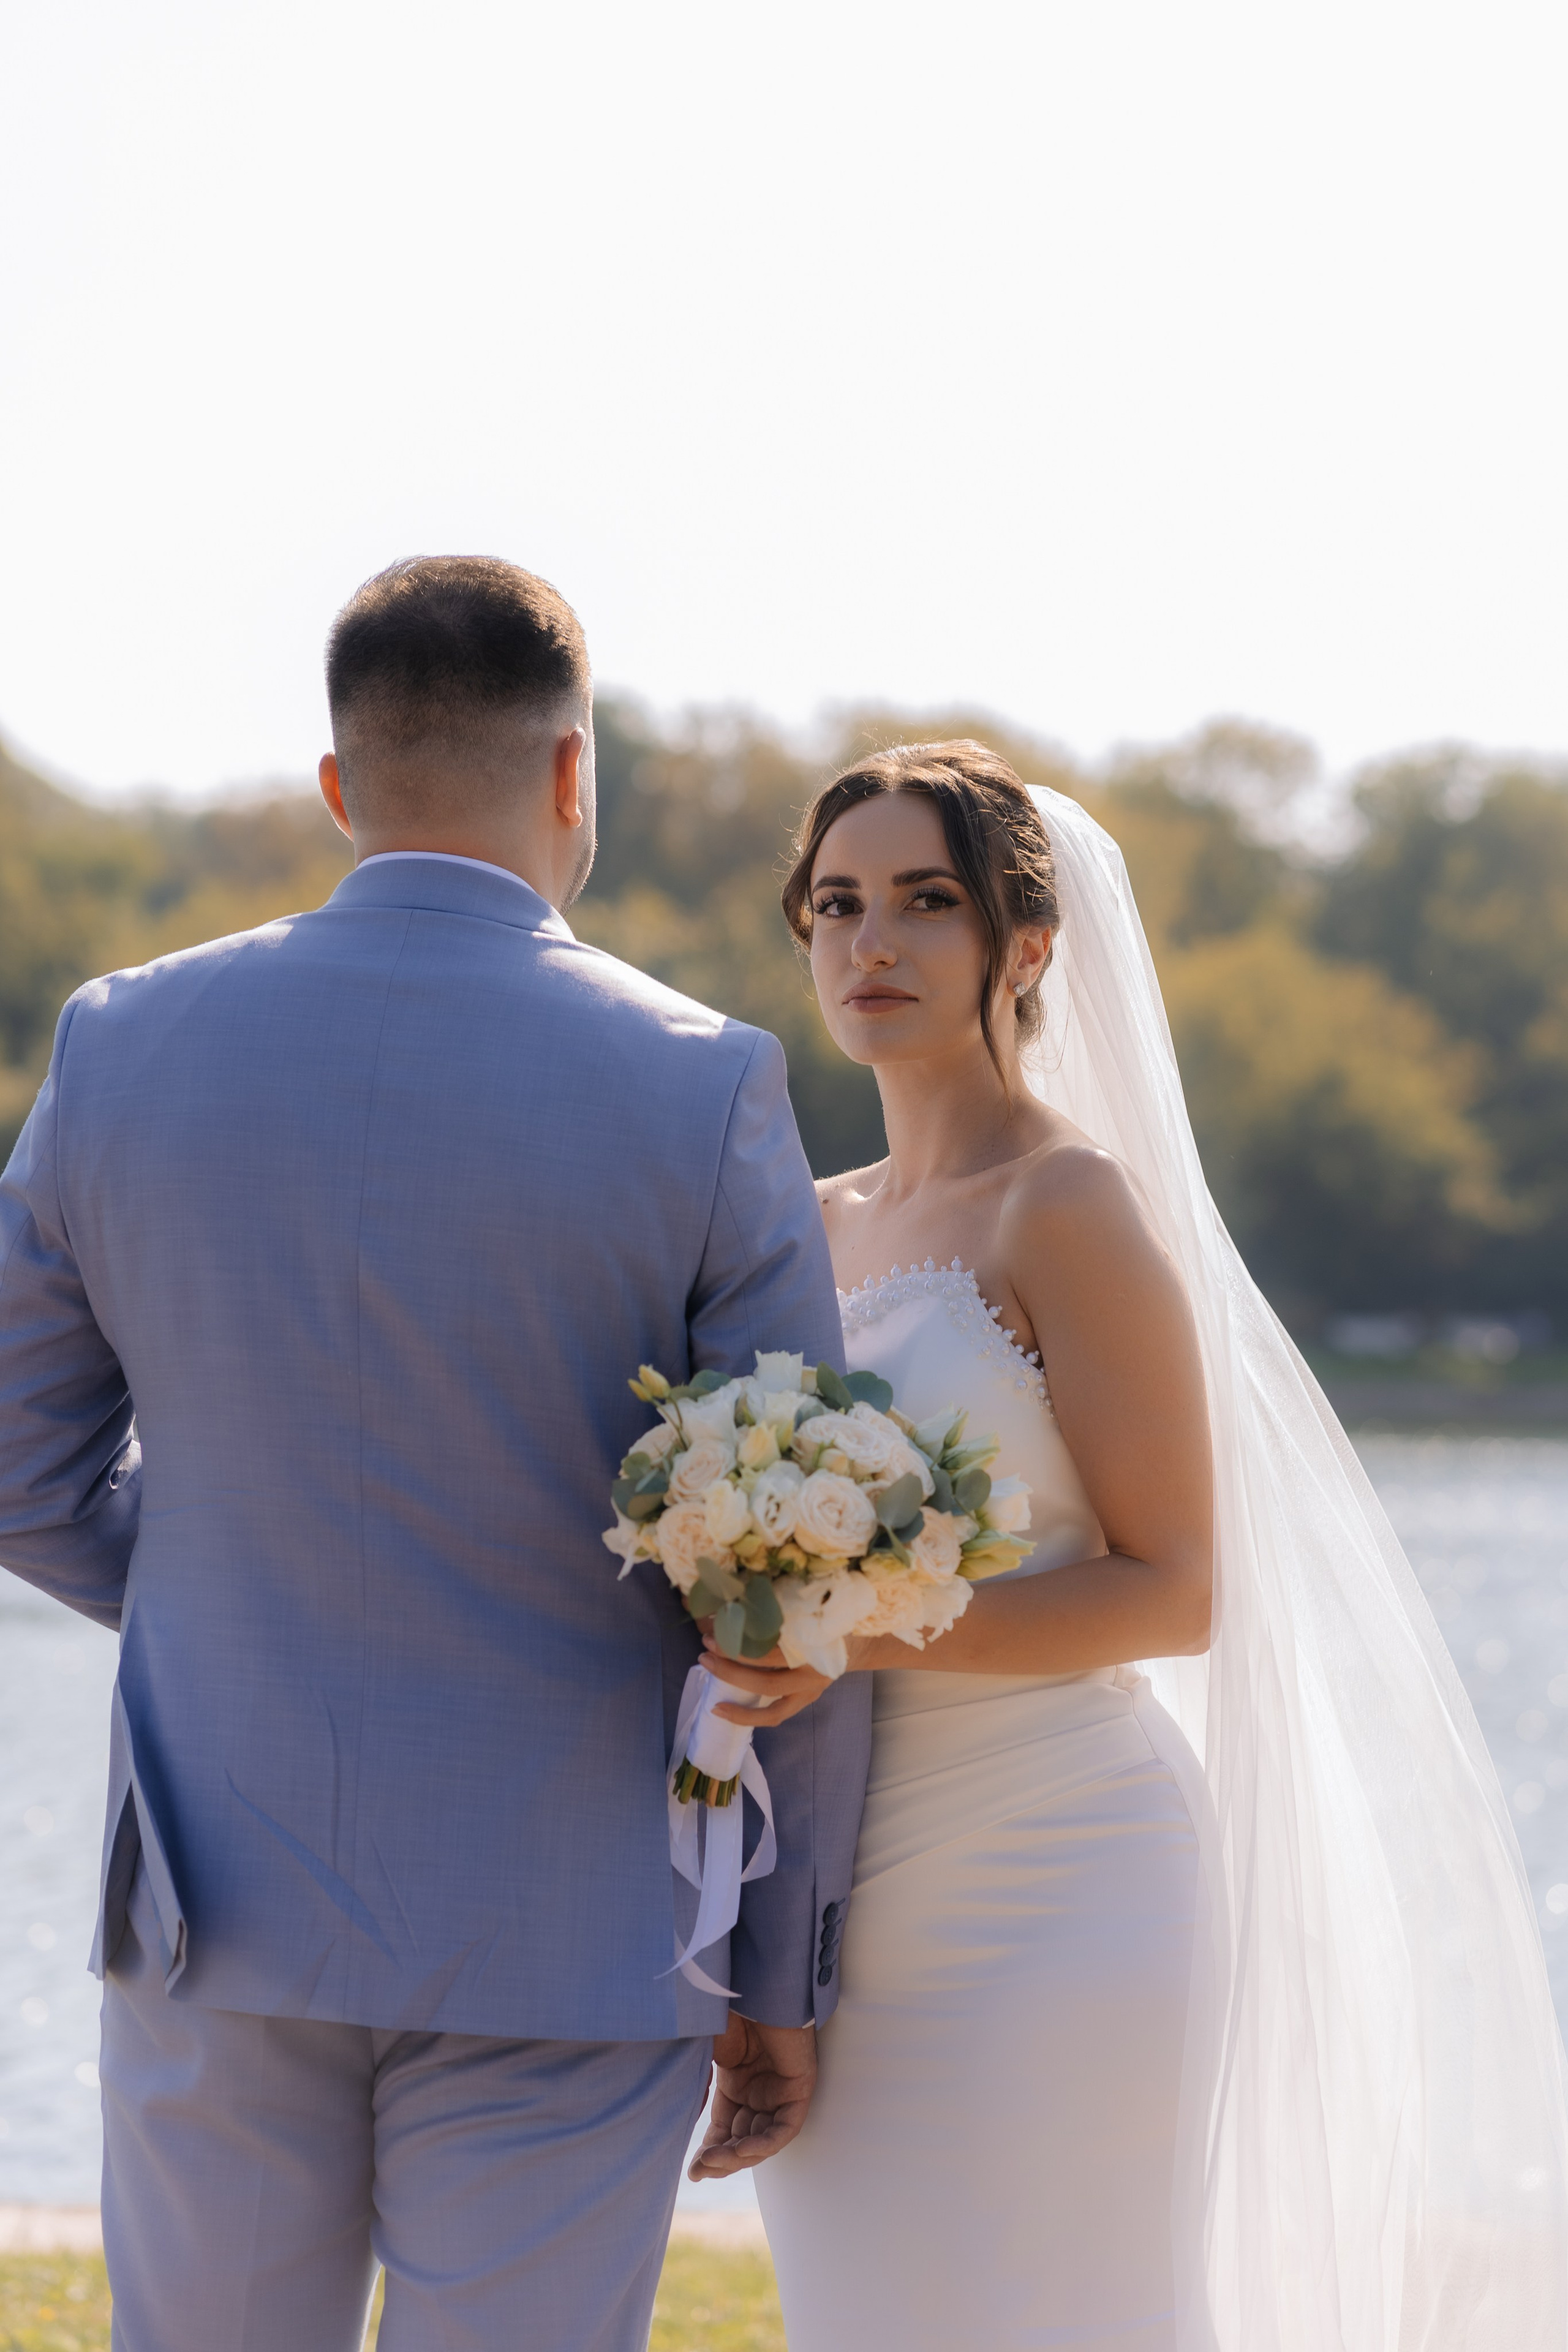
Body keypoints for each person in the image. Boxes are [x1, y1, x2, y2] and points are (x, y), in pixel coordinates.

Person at [0, 556, 870, 2352]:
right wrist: (781, 1968)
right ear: (576, 777)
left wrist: (216, 1578)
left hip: (210, 1889)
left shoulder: (119, 1039)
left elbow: (16, 1460)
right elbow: (798, 1562)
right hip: (569, 1918)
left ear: (339, 786)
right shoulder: (705, 1081)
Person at [701, 743, 1568, 2352]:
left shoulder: (1068, 1206)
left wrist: (869, 1630)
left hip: (1063, 1881)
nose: (868, 944)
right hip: (837, 1909)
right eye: (835, 905)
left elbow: (1181, 1589)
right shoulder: (801, 1227)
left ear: (1024, 948)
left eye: (923, 903)